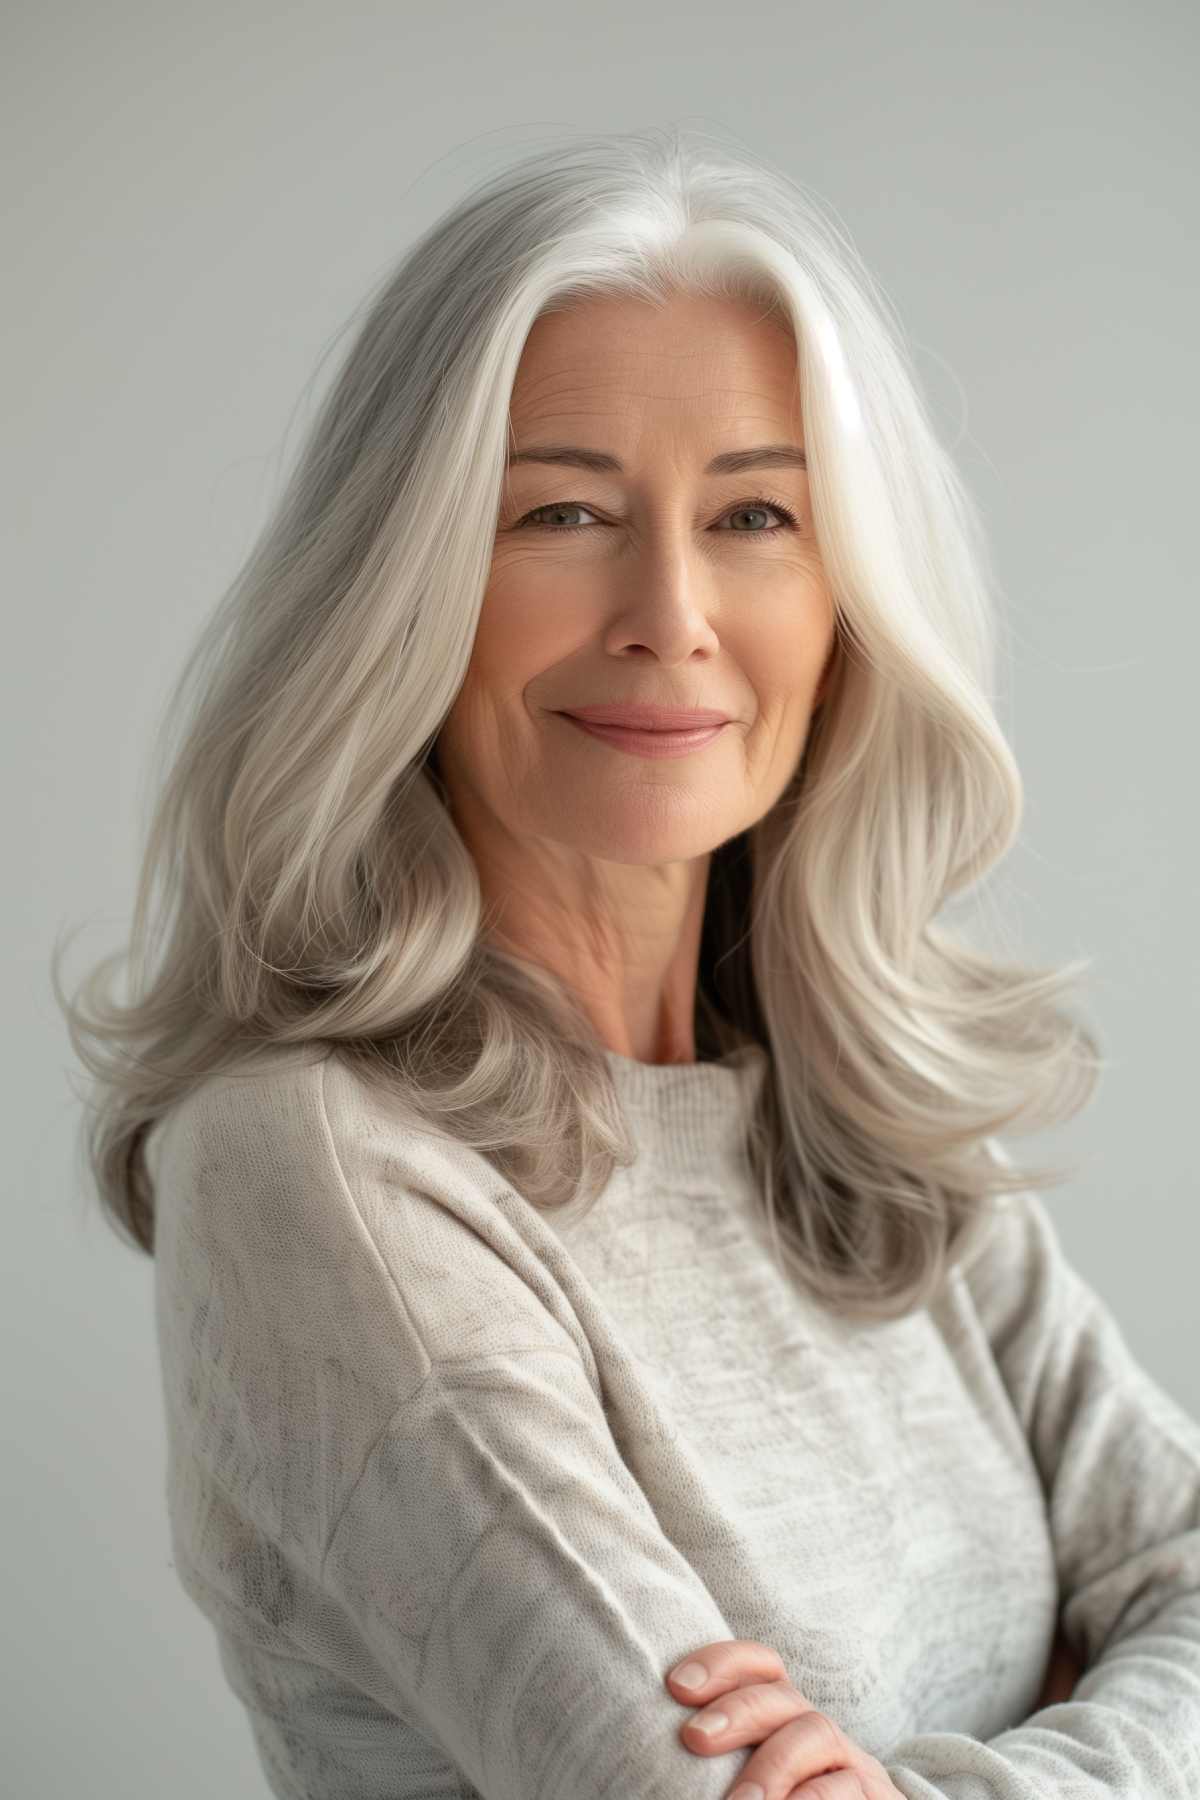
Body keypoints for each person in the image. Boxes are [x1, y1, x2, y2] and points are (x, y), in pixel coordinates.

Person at [56, 126, 1200, 1799]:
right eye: (563, 511)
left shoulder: (860, 1115)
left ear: (846, 604)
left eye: (754, 513)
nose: (669, 610)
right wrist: (1105, 1709)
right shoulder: (320, 1167)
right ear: (407, 588)